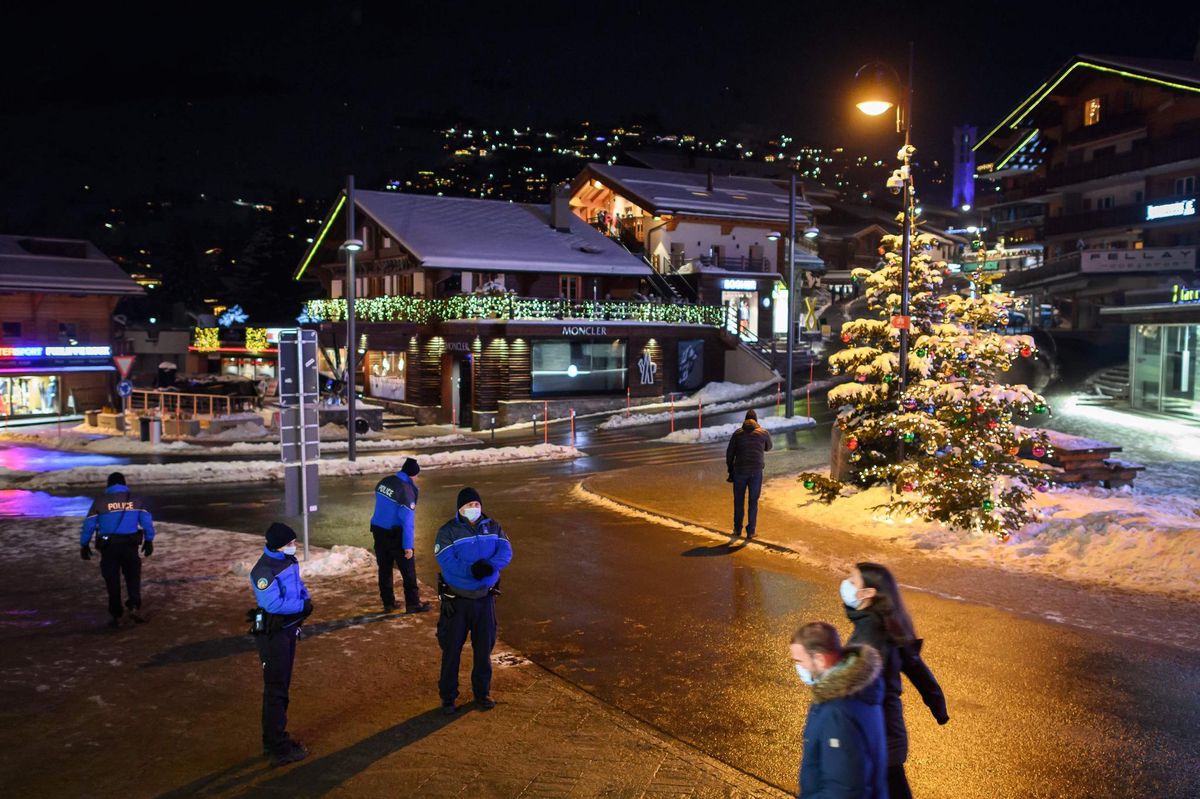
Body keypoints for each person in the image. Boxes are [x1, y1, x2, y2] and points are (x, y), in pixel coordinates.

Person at [843, 563, 949, 799]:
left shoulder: (868, 637)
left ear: (868, 593)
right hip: (888, 733)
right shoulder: (888, 624)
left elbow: (855, 692)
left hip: (878, 736)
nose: (845, 584)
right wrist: (938, 705)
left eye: (852, 580)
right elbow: (917, 669)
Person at [434, 487, 513, 715]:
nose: (474, 509)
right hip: (457, 601)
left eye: (477, 505)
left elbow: (506, 550)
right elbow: (446, 560)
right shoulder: (447, 532)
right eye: (469, 506)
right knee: (451, 651)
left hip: (484, 600)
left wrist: (490, 566)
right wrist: (472, 570)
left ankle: (482, 692)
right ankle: (448, 697)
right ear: (459, 508)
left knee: (483, 651)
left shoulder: (492, 526)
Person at [790, 621, 887, 799]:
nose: (799, 667)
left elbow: (843, 791)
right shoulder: (860, 688)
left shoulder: (837, 711)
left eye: (800, 661)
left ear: (820, 659)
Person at [250, 522, 313, 768]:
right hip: (273, 635)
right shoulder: (263, 571)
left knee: (282, 687)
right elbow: (273, 605)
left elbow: (297, 585)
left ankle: (276, 738)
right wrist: (302, 607)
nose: (294, 546)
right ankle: (277, 746)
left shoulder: (287, 561)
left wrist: (306, 599)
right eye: (290, 543)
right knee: (276, 689)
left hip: (286, 630)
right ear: (278, 545)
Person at [79, 472, 156, 628]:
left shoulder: (100, 501)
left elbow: (89, 524)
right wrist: (149, 540)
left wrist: (84, 544)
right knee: (133, 576)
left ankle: (116, 615)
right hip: (130, 545)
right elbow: (146, 522)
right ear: (124, 483)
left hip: (109, 547)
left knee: (112, 580)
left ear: (109, 484)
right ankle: (134, 606)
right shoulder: (135, 500)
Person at [370, 457, 432, 614]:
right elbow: (407, 522)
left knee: (384, 569)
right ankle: (413, 604)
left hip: (378, 530)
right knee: (408, 571)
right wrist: (408, 546)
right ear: (413, 475)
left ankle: (388, 603)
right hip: (395, 535)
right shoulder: (406, 490)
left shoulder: (384, 482)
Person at [726, 408, 772, 539]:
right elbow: (768, 447)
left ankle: (737, 529)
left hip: (740, 471)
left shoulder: (737, 434)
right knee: (753, 501)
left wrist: (730, 470)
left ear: (745, 420)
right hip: (756, 472)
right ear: (756, 421)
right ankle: (751, 531)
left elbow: (730, 454)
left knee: (738, 501)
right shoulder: (763, 433)